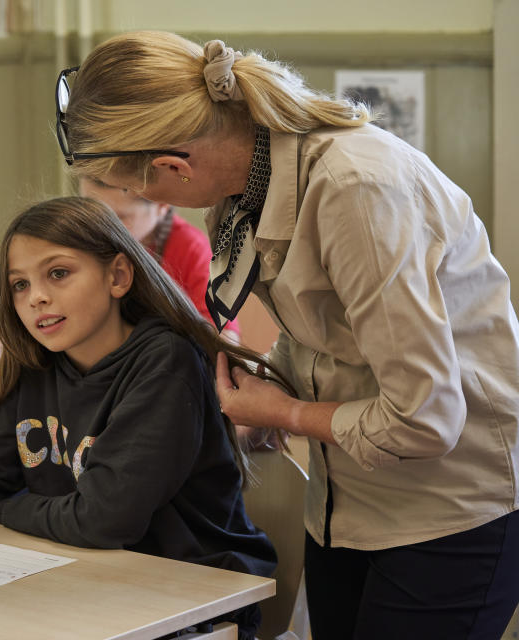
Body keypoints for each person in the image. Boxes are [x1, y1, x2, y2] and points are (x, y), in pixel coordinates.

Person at [54, 30, 519, 639]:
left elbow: (425, 417)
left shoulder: (356, 190)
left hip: (449, 509)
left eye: (144, 192)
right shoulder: (245, 184)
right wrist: (264, 387)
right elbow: (322, 330)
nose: (148, 202)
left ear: (175, 166)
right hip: (347, 501)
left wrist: (287, 411)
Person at [0, 197, 279, 640]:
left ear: (118, 276)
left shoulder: (165, 362)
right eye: (20, 285)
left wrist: (7, 508)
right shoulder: (40, 363)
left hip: (192, 600)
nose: (37, 298)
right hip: (90, 585)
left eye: (58, 273)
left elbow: (103, 519)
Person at [0, 177, 240, 364]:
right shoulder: (75, 247)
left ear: (161, 207)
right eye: (92, 212)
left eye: (119, 219)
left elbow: (223, 337)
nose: (100, 230)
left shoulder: (190, 249)